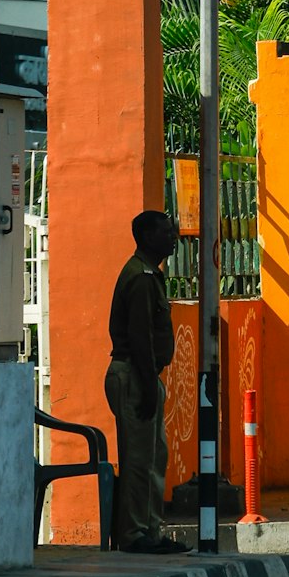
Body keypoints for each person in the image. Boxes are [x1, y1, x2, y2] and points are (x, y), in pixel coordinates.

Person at [105, 210, 180, 554]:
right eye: (166, 232)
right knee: (138, 459)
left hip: (143, 375)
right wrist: (149, 384)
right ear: (147, 237)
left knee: (153, 456)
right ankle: (135, 534)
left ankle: (150, 530)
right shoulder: (141, 277)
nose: (173, 237)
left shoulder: (150, 274)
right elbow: (140, 337)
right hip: (135, 375)